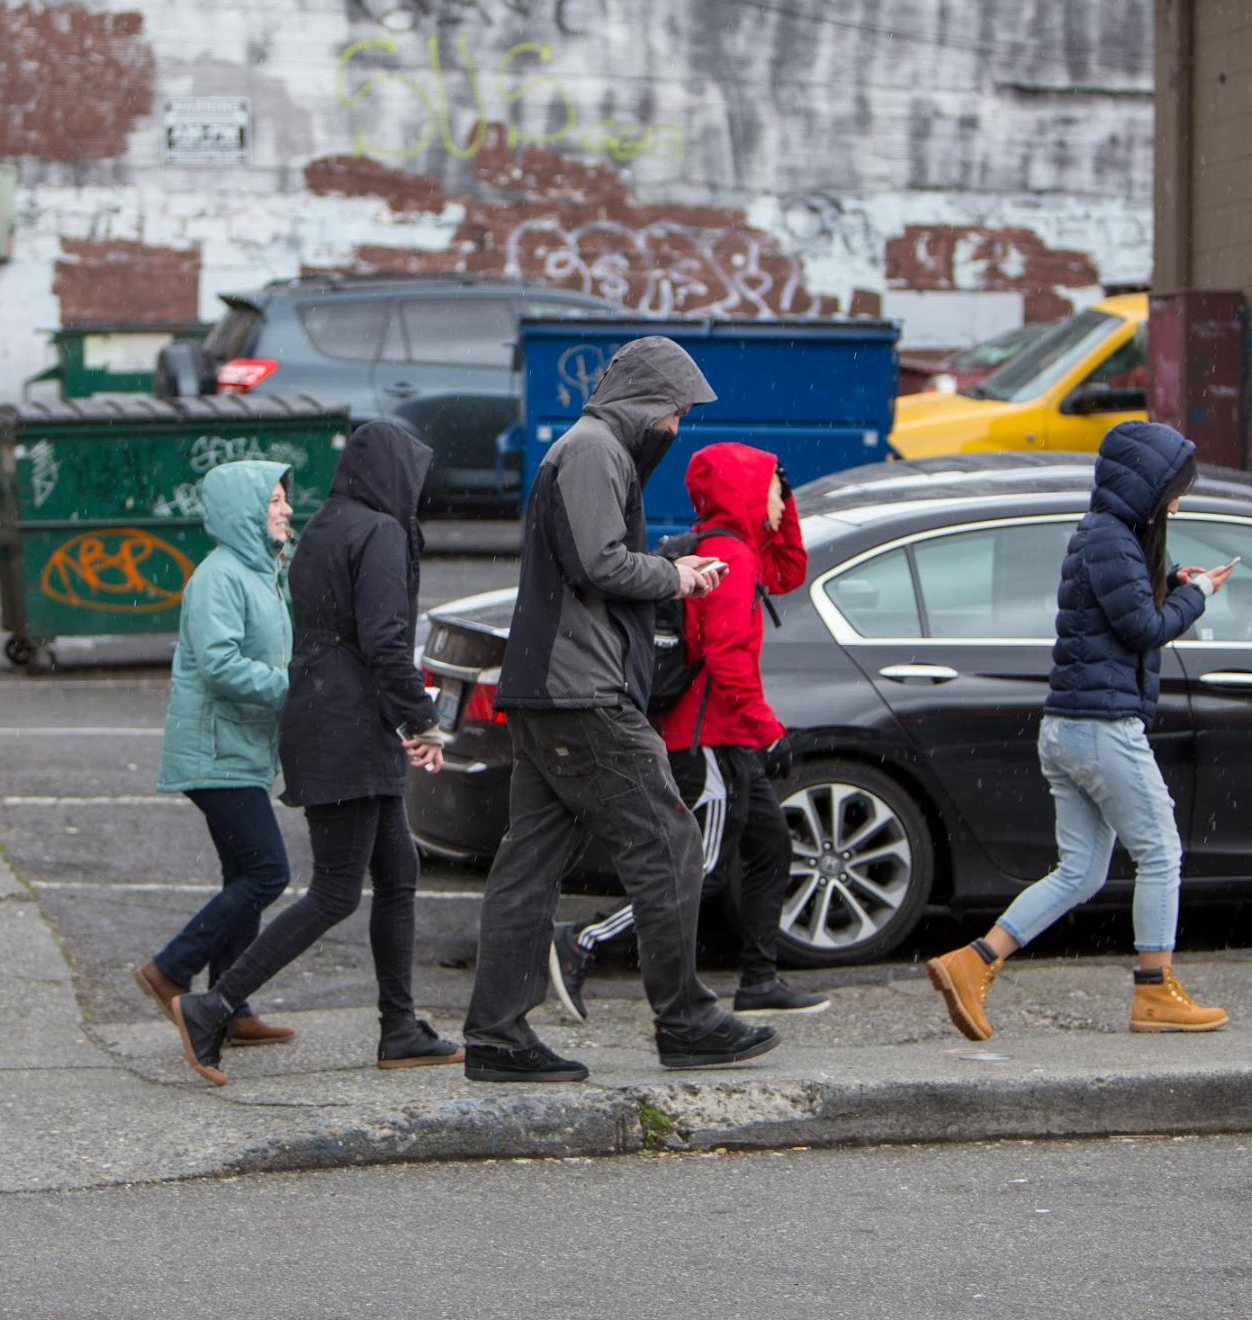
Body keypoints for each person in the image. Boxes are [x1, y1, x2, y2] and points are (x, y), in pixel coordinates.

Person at [460, 336, 780, 1083]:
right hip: (583, 689)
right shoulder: (597, 449)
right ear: (645, 401)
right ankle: (686, 1020)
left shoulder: (586, 447)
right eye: (672, 411)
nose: (674, 427)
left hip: (552, 686)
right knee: (669, 843)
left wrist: (668, 563)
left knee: (530, 864)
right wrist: (675, 577)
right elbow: (598, 561)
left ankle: (497, 1035)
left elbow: (588, 559)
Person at [170, 421, 461, 1085]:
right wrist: (422, 721)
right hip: (350, 723)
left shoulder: (327, 525)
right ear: (394, 474)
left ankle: (400, 1026)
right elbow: (386, 640)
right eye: (411, 475)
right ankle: (212, 1005)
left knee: (398, 874)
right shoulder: (381, 531)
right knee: (336, 891)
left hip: (330, 713)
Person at [925, 419, 1234, 1041]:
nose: (1177, 499)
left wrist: (1171, 583)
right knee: (1161, 851)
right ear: (1148, 485)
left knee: (1082, 872)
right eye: (1174, 488)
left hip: (1071, 726)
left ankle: (973, 962)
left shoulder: (1108, 537)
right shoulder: (1111, 539)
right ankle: (1155, 991)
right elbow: (1142, 630)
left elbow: (1122, 611)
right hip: (1101, 728)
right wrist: (1196, 595)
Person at [546, 441, 826, 1020]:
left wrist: (787, 499)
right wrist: (768, 731)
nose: (781, 499)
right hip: (706, 740)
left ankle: (759, 979)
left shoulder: (730, 547)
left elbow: (790, 569)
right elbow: (727, 657)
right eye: (776, 487)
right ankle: (582, 941)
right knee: (699, 867)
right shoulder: (730, 556)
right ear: (747, 491)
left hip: (723, 738)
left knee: (771, 845)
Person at [133, 459, 299, 1053]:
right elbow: (221, 666)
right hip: (213, 748)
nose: (286, 510)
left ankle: (231, 1005)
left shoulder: (263, 571)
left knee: (244, 874)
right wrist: (295, 685)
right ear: (242, 511)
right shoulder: (219, 577)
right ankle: (171, 971)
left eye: (284, 501)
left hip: (241, 745)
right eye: (274, 501)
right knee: (266, 872)